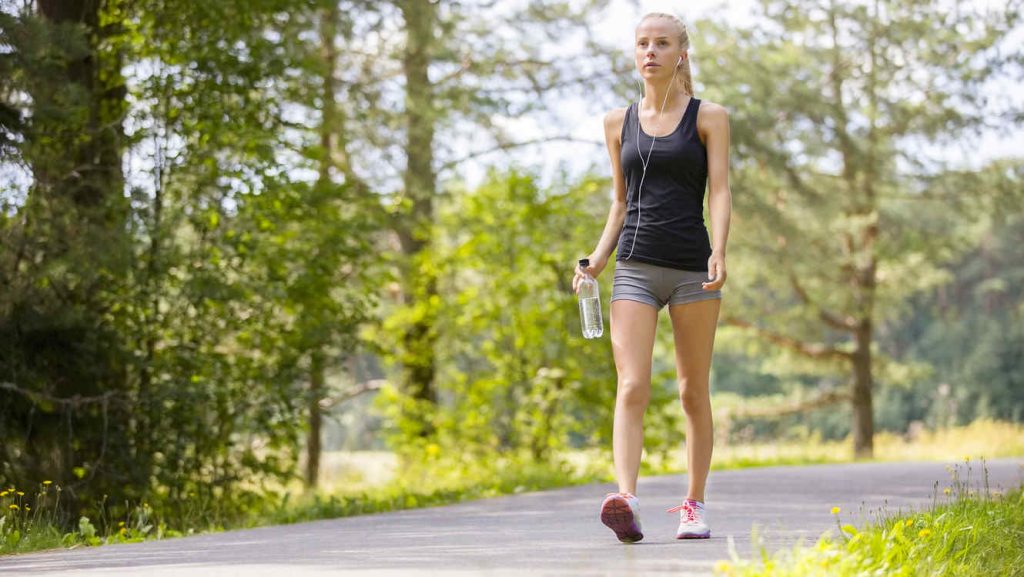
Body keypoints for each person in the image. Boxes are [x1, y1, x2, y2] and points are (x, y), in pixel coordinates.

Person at [572, 11, 732, 543]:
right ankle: (627, 499)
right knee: (633, 384)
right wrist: (596, 260)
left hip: (693, 268)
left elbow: (721, 191)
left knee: (692, 392)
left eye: (662, 44)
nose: (650, 52)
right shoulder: (618, 123)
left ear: (680, 53)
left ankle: (694, 505)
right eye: (643, 44)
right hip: (635, 267)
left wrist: (721, 251)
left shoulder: (709, 117)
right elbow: (619, 202)